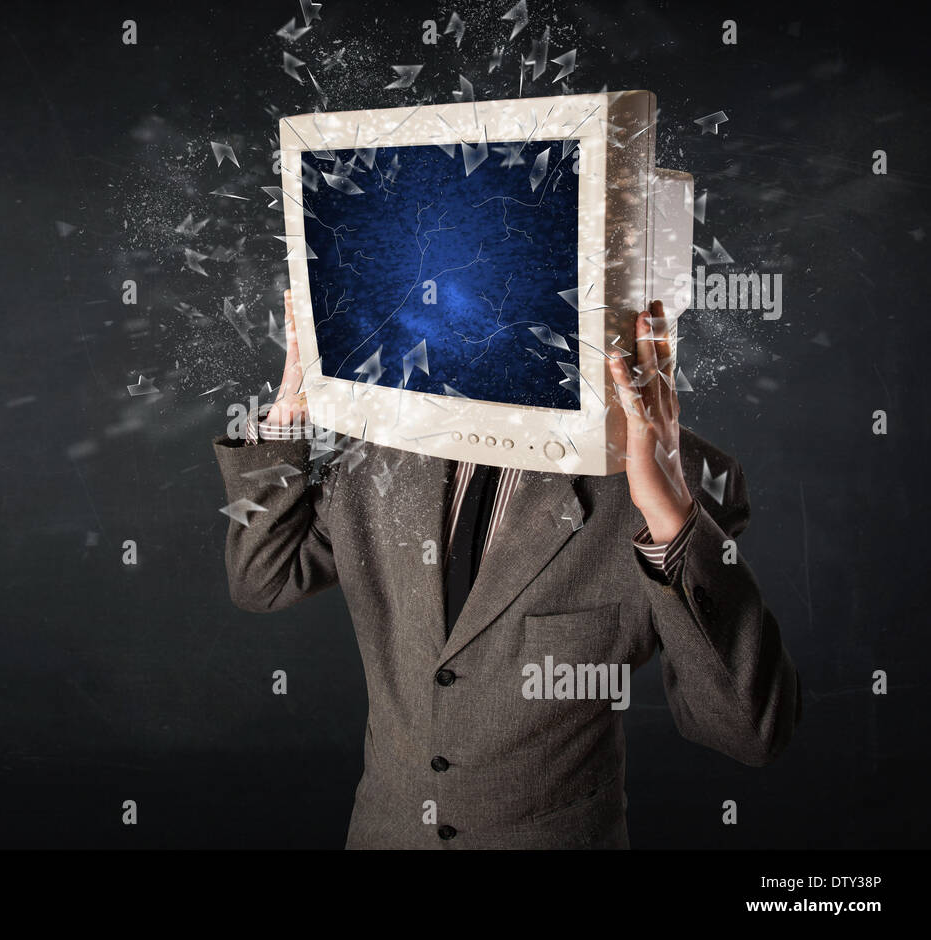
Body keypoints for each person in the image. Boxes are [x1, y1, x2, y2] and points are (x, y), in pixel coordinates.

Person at [212, 289, 802, 849]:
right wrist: (290, 411)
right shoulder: (378, 443)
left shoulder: (677, 472)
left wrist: (669, 520)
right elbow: (263, 579)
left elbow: (748, 733)